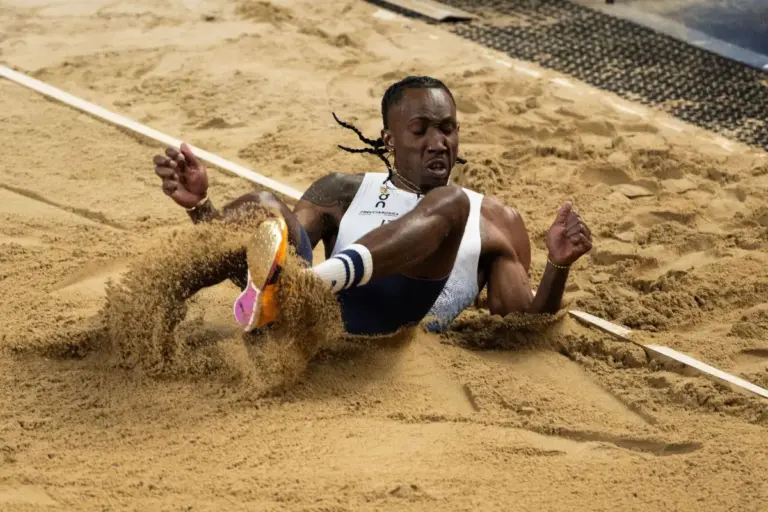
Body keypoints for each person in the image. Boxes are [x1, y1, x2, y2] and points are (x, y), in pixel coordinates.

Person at [153, 76, 592, 337]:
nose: (438, 142)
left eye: (448, 129)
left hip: (392, 326)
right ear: (389, 139)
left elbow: (520, 326)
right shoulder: (342, 191)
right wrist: (202, 209)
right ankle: (154, 308)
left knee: (450, 201)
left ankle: (316, 282)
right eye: (420, 130)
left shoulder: (493, 218)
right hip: (321, 324)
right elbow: (267, 259)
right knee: (262, 205)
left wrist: (558, 265)